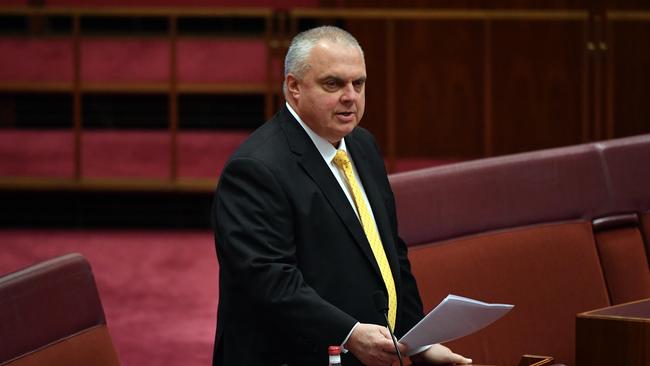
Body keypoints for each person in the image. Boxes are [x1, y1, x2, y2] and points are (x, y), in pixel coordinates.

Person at [212, 26, 472, 366]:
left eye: (358, 83)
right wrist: (348, 333)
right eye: (333, 84)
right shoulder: (255, 169)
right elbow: (270, 282)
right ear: (294, 88)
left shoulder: (362, 145)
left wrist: (420, 341)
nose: (350, 96)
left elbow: (389, 252)